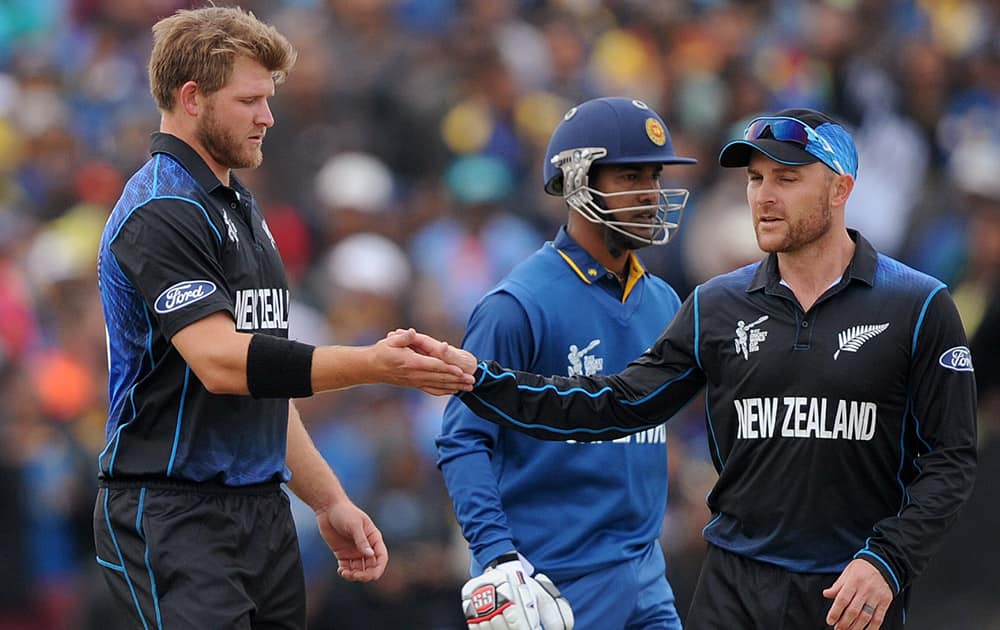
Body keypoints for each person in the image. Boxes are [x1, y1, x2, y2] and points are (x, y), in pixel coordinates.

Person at [416, 108, 978, 630]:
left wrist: (889, 560)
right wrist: (478, 379)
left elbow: (950, 459)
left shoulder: (918, 304)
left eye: (786, 179)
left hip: (839, 593)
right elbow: (611, 405)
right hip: (699, 587)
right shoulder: (714, 304)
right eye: (755, 180)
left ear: (840, 189)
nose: (763, 196)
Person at [93, 7, 472, 629]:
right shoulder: (161, 208)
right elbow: (222, 364)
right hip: (170, 513)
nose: (267, 117)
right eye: (249, 101)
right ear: (192, 98)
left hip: (260, 511)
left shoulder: (239, 205)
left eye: (267, 99)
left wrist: (329, 502)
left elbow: (264, 387)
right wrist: (375, 366)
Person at [436, 97, 696, 630]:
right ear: (578, 182)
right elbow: (464, 439)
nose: (651, 195)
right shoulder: (517, 306)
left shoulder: (667, 302)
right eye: (630, 176)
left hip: (646, 571)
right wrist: (498, 556)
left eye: (654, 175)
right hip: (552, 581)